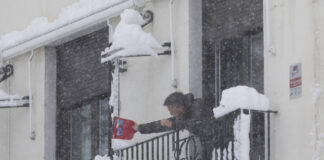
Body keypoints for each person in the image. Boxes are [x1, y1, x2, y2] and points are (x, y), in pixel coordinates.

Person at [133, 91, 218, 160]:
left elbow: (195, 123)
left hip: (220, 139)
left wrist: (173, 124)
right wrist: (140, 128)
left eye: (172, 111)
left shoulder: (197, 105)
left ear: (180, 107)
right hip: (207, 144)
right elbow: (162, 126)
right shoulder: (183, 114)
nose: (171, 114)